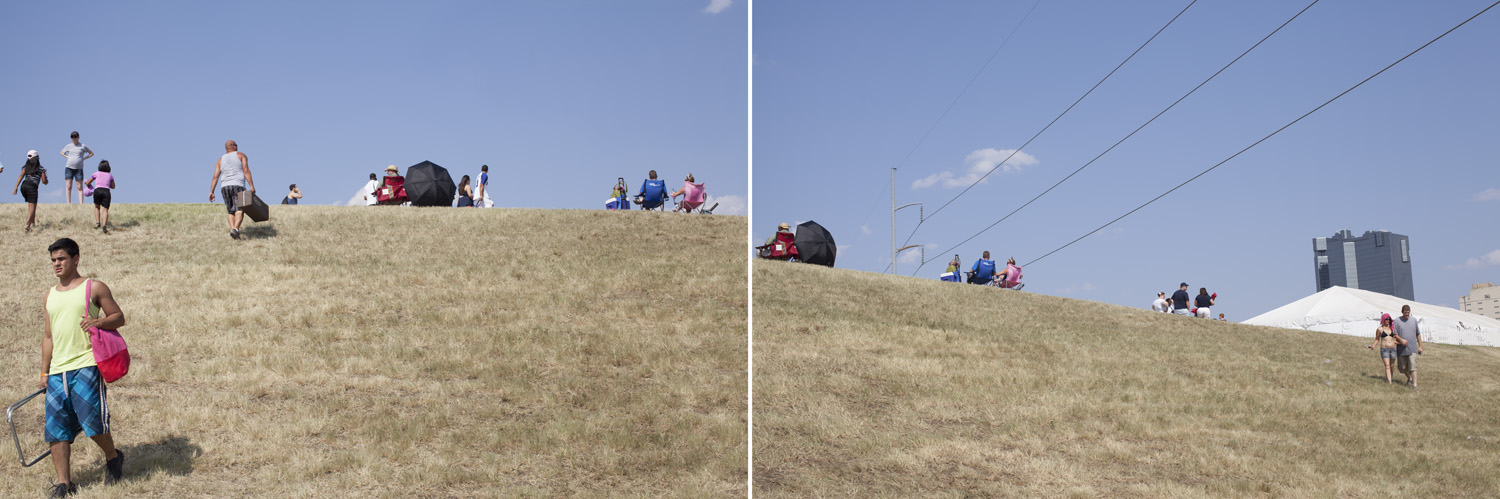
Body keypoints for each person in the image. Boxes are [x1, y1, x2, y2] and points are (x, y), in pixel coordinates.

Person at [39, 238, 127, 497]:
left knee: (93, 423)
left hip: (87, 365)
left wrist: (97, 323)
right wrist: (44, 372)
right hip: (57, 371)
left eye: (61, 259)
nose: (56, 264)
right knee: (55, 428)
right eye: (53, 260)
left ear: (76, 259)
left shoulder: (94, 287)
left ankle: (113, 457)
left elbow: (119, 317)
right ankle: (64, 483)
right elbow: (48, 337)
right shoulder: (49, 295)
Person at [207, 140, 256, 240]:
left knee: (230, 211)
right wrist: (251, 186)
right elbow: (246, 170)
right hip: (238, 184)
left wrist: (211, 191)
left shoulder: (220, 160)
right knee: (240, 209)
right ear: (233, 146)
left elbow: (215, 177)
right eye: (236, 145)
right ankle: (236, 229)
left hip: (225, 187)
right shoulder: (241, 155)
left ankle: (234, 231)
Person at [12, 151, 49, 233]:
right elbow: (44, 181)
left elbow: (21, 176)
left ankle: (33, 222)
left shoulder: (26, 167)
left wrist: (16, 187)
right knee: (32, 206)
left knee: (33, 204)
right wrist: (46, 179)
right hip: (32, 187)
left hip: (24, 186)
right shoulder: (41, 168)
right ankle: (27, 225)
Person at [1367, 313, 1405, 384]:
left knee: (1392, 366)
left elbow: (1394, 339)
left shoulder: (1392, 328)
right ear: (1383, 319)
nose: (1388, 320)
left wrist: (1401, 342)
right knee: (1387, 366)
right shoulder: (1379, 329)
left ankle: (1390, 377)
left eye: (1389, 319)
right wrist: (1373, 346)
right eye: (1386, 319)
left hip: (1393, 349)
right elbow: (1377, 339)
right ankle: (1389, 382)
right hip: (1384, 349)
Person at [1391, 304, 1423, 389]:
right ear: (1402, 312)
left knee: (1412, 365)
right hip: (1401, 349)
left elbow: (1418, 334)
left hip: (1412, 348)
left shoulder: (1414, 320)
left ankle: (1415, 385)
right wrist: (1401, 340)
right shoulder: (1397, 321)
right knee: (1402, 367)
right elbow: (1394, 334)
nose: (1407, 315)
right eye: (1405, 313)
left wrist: (1420, 346)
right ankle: (1409, 378)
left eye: (1408, 313)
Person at [59, 131, 94, 205]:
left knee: (79, 187)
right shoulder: (69, 146)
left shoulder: (82, 146)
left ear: (78, 137)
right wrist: (67, 156)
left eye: (75, 137)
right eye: (72, 137)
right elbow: (62, 152)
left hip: (79, 168)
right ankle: (68, 203)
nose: (73, 138)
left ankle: (81, 203)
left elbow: (91, 153)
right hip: (69, 168)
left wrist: (84, 158)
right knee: (68, 186)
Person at [85, 161, 116, 233]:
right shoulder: (110, 176)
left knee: (97, 207)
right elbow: (113, 186)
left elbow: (88, 182)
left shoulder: (96, 173)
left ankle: (97, 223)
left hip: (97, 191)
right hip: (106, 192)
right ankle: (104, 226)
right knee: (105, 210)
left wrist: (86, 182)